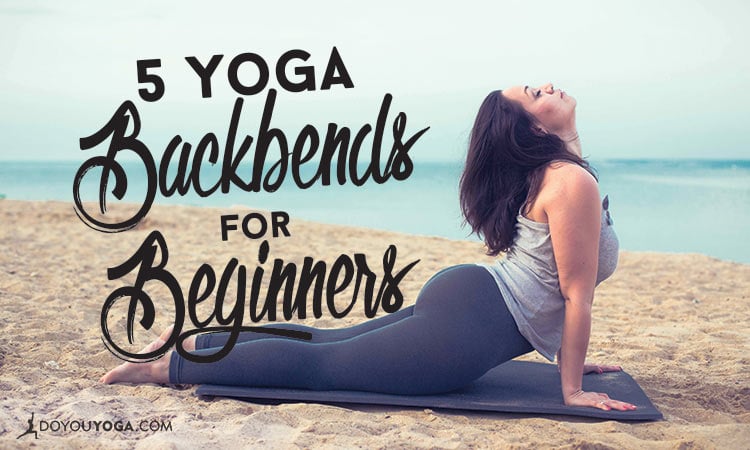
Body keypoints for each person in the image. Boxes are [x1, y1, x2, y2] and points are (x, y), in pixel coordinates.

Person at [101, 83, 636, 412]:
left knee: (328, 344)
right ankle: (165, 367)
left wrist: (570, 358)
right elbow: (574, 295)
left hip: (473, 303)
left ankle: (197, 338)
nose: (547, 86)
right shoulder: (569, 181)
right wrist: (571, 389)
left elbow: (558, 286)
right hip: (464, 330)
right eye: (535, 94)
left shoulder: (562, 173)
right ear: (530, 127)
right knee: (322, 367)